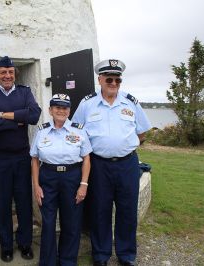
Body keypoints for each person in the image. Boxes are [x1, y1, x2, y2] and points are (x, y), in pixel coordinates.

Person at [72, 59, 152, 266]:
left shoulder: (131, 102)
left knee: (127, 210)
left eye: (118, 79)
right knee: (100, 210)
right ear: (100, 79)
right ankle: (101, 255)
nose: (114, 83)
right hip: (99, 165)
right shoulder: (87, 103)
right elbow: (76, 132)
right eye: (109, 78)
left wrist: (123, 146)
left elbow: (142, 132)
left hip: (127, 165)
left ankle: (126, 255)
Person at [0, 56, 41, 262]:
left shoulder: (24, 92)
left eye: (10, 72)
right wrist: (18, 120)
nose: (7, 75)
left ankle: (25, 243)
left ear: (15, 74)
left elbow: (34, 115)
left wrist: (2, 115)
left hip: (22, 157)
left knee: (24, 203)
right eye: (2, 72)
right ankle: (6, 245)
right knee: (2, 204)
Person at [30, 94, 92, 266]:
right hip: (48, 177)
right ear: (50, 110)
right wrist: (36, 185)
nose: (61, 111)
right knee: (48, 223)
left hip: (72, 178)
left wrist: (84, 184)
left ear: (69, 110)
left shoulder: (79, 130)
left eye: (64, 107)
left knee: (71, 222)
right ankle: (48, 261)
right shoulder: (42, 131)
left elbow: (86, 158)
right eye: (57, 107)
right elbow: (34, 159)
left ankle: (67, 260)